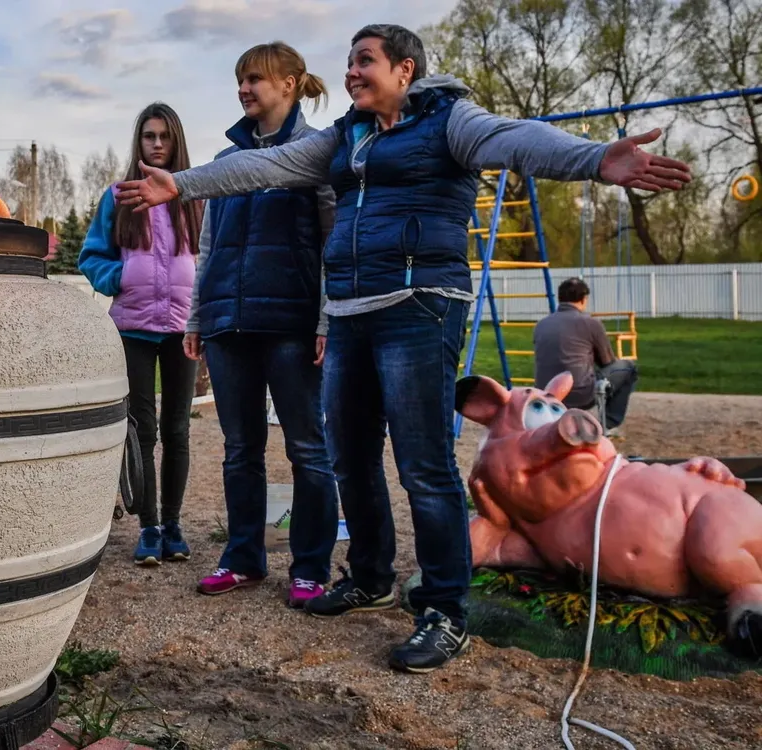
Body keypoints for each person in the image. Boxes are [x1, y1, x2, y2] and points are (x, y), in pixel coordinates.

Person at [114, 24, 691, 673]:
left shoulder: (448, 121)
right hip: (354, 311)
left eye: (366, 61)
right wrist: (183, 185)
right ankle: (370, 577)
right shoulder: (345, 137)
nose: (353, 73)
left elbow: (519, 139)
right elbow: (265, 165)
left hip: (419, 306)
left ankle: (444, 609)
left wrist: (594, 158)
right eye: (351, 61)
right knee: (352, 458)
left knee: (423, 463)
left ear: (406, 70)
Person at [185, 42, 340, 610]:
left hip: (292, 326)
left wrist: (325, 318)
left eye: (255, 79)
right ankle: (243, 557)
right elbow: (208, 248)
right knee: (239, 449)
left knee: (307, 449)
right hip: (228, 325)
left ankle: (310, 566)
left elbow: (332, 244)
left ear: (291, 84)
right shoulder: (226, 164)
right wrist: (199, 316)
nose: (245, 89)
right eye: (240, 80)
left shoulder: (315, 157)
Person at [78, 102, 204, 567]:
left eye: (164, 136)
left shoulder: (194, 196)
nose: (156, 144)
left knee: (178, 429)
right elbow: (90, 257)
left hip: (181, 328)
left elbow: (208, 258)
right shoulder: (119, 195)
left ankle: (173, 525)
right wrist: (122, 277)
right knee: (143, 430)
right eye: (149, 136)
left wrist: (202, 312)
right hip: (132, 328)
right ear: (139, 141)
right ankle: (148, 528)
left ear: (176, 142)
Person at [533, 277, 638, 433]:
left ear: (560, 298)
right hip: (580, 395)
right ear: (583, 299)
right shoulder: (591, 323)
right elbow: (607, 361)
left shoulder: (541, 324)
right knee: (628, 368)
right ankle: (607, 423)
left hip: (547, 393)